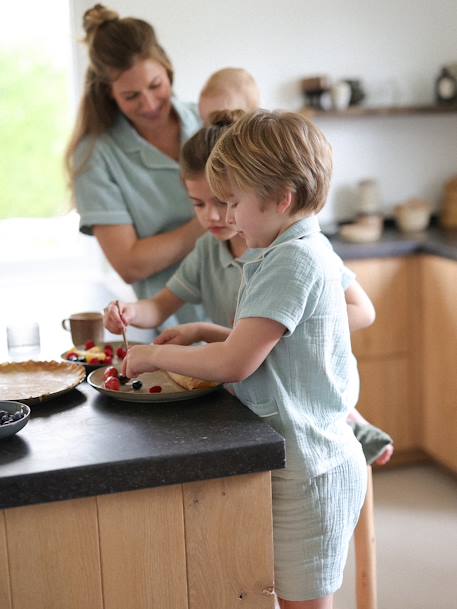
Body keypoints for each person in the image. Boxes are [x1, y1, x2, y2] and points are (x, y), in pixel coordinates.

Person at [120, 110, 368, 607]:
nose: (227, 217)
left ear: (282, 199)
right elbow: (276, 346)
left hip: (310, 469)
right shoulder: (283, 249)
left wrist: (148, 353)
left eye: (235, 203)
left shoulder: (292, 259)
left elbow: (236, 362)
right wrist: (207, 332)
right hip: (294, 459)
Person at [64, 4, 204, 328]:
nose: (150, 104)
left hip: (243, 310)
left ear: (167, 68)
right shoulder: (94, 156)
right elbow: (129, 263)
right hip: (170, 323)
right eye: (131, 96)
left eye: (155, 85)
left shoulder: (208, 119)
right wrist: (210, 223)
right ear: (109, 94)